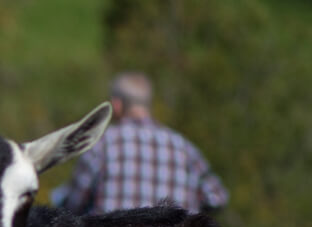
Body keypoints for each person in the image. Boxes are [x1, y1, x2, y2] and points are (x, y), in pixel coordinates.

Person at [55, 71, 228, 216]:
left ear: (117, 105)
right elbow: (217, 197)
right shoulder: (184, 148)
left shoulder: (102, 145)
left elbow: (72, 203)